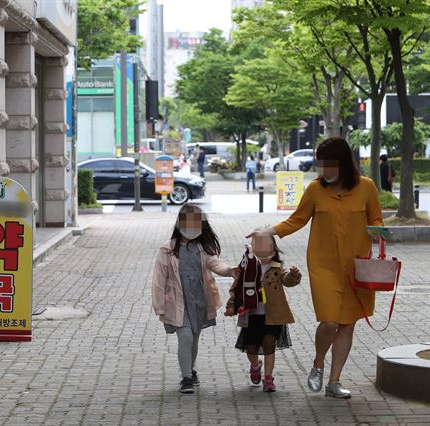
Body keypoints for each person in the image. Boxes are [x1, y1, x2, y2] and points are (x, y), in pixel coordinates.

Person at [247, 137, 383, 399]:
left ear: (344, 164)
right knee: (329, 321)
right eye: (322, 165)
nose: (325, 170)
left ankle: (334, 382)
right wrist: (268, 230)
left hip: (358, 267)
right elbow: (297, 220)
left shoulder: (366, 188)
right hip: (324, 266)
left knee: (347, 325)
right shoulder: (315, 190)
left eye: (329, 165)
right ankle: (318, 363)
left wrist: (378, 233)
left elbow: (376, 220)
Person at [152, 204, 240, 394]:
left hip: (199, 300)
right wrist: (159, 306)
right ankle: (186, 378)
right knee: (185, 336)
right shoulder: (167, 249)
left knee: (193, 338)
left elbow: (215, 263)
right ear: (179, 224)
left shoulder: (202, 248)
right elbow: (158, 280)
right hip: (177, 302)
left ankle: (190, 370)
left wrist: (230, 271)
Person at [225, 233, 302, 393]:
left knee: (269, 345)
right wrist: (231, 306)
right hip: (251, 315)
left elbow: (287, 280)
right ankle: (255, 366)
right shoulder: (246, 267)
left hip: (272, 316)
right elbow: (236, 288)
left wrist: (294, 277)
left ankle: (268, 378)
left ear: (274, 251)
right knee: (251, 348)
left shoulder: (276, 268)